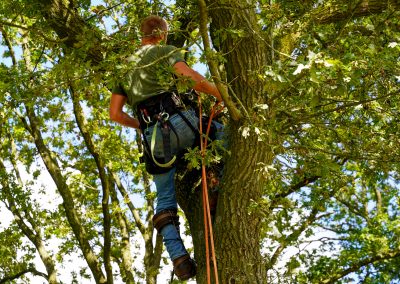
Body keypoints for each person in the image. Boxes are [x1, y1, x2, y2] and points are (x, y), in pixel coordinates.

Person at [109, 15, 223, 281]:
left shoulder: (124, 68)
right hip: (179, 123)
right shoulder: (164, 51)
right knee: (220, 132)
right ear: (161, 34)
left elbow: (114, 114)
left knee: (165, 202)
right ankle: (215, 183)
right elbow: (191, 78)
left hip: (154, 139)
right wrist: (219, 94)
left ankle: (179, 259)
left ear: (142, 35)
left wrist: (142, 125)